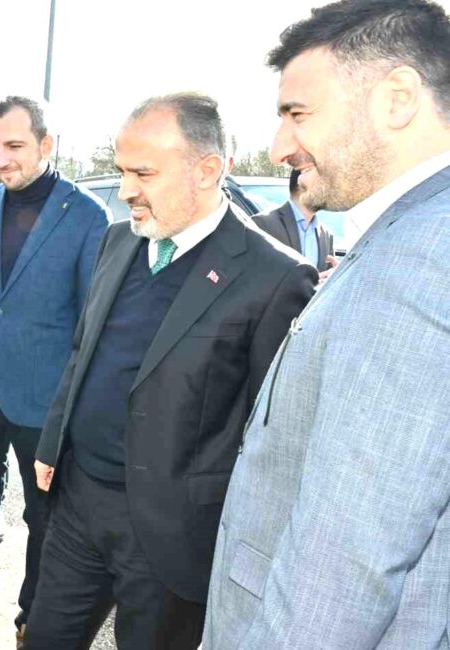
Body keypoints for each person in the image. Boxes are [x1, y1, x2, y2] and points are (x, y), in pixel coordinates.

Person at [21, 93, 317, 649]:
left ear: (207, 170)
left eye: (144, 173)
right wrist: (51, 439)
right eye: (121, 171)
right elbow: (84, 350)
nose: (127, 189)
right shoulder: (117, 241)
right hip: (78, 503)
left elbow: (272, 436)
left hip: (171, 532)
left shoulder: (275, 278)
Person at [205, 1, 450, 647]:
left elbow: (343, 569)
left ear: (397, 98)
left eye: (298, 113)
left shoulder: (419, 262)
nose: (281, 146)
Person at [0, 96, 110, 650]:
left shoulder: (85, 216)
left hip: (43, 400)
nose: (0, 159)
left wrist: (73, 407)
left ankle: (34, 618)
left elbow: (89, 322)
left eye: (14, 147)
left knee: (43, 514)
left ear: (47, 145)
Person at [252, 168, 337, 276]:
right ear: (301, 181)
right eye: (322, 183)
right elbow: (252, 279)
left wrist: (334, 276)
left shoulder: (326, 235)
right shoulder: (262, 224)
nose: (328, 189)